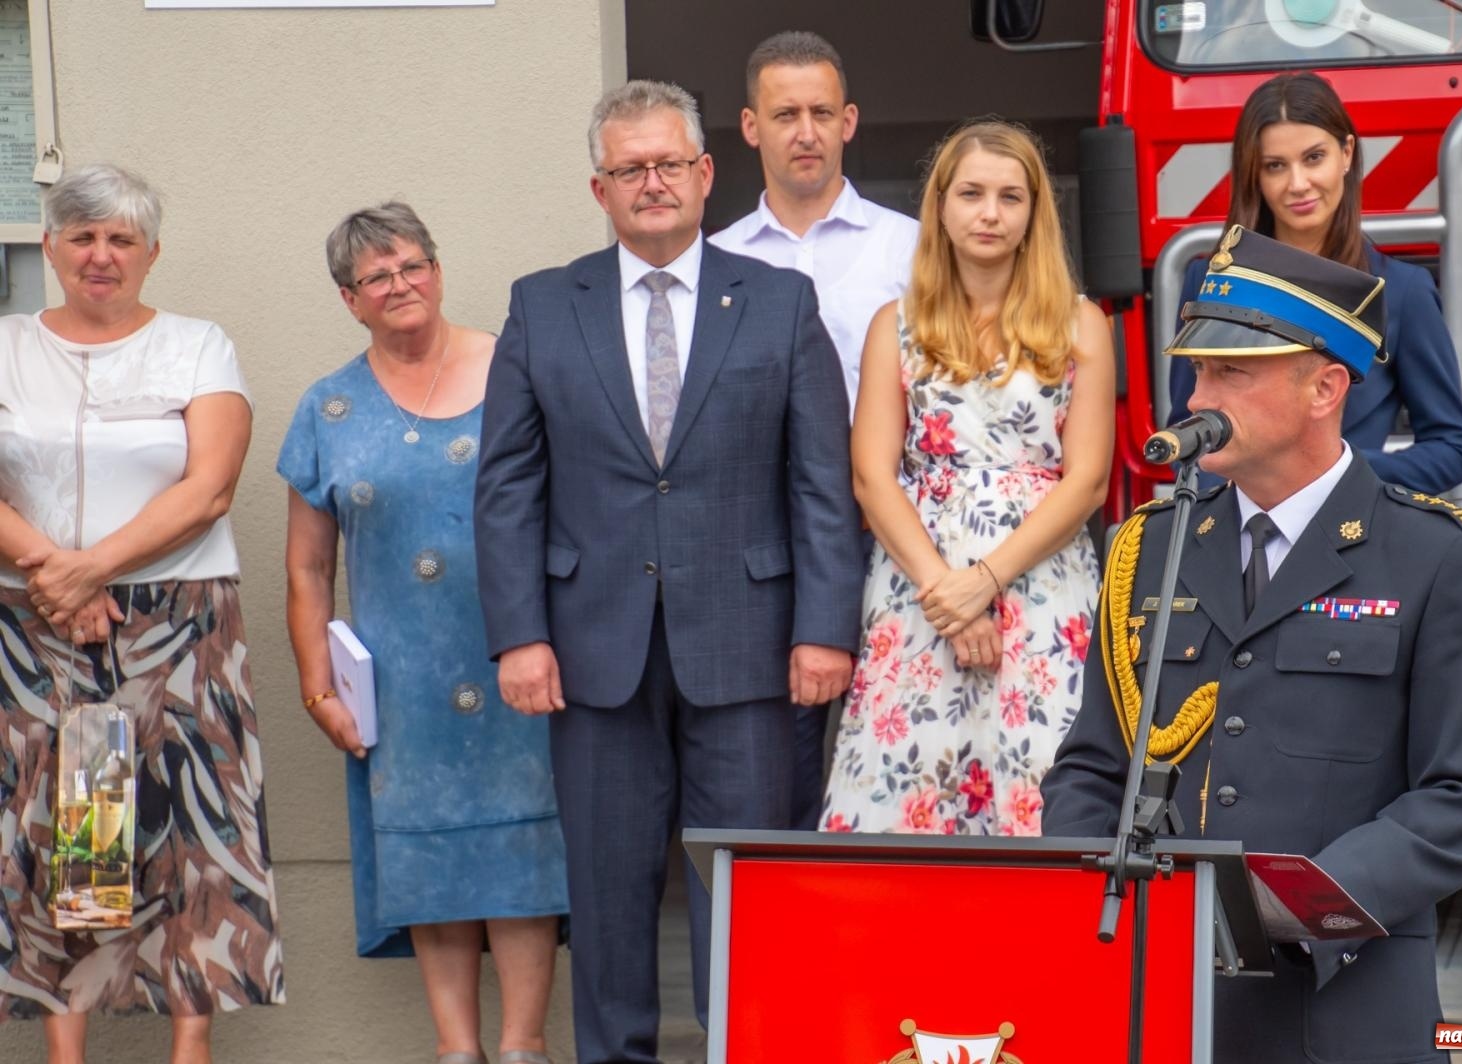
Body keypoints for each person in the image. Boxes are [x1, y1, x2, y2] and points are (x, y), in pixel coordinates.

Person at [1042, 225, 1462, 1063]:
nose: (1195, 399)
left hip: (1344, 999)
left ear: (1324, 388)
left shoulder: (1439, 555)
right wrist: (1098, 898)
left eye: (1231, 372)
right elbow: (1092, 766)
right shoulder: (1148, 546)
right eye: (1197, 370)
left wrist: (1299, 905)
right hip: (1162, 997)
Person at [474, 80, 862, 1063]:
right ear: (599, 189)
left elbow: (820, 477)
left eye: (666, 164)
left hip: (752, 645)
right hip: (590, 649)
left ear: (704, 173)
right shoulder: (540, 304)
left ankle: (753, 1048)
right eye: (627, 168)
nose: (650, 183)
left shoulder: (778, 300)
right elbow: (507, 485)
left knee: (745, 884)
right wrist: (519, 634)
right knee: (606, 890)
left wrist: (826, 626)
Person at [0, 164, 283, 1061]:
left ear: (151, 253)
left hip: (179, 624)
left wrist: (91, 570)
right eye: (81, 236)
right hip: (39, 621)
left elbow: (209, 488)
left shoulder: (198, 345)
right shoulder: (6, 345)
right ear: (49, 247)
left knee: (189, 838)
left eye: (120, 239)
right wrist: (57, 573)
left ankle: (188, 1051)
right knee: (75, 836)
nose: (100, 255)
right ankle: (66, 1054)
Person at [278, 203, 566, 1064]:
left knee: (520, 856)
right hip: (399, 685)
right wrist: (318, 687)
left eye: (412, 265)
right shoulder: (327, 407)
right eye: (376, 277)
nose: (399, 285)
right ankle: (457, 1051)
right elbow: (307, 571)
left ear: (437, 271)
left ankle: (524, 1046)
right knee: (432, 866)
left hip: (517, 658)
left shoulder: (518, 370)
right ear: (349, 299)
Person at [819, 121, 1114, 836]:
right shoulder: (897, 324)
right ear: (942, 207)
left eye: (1010, 197)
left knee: (1045, 787)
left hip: (1041, 586)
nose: (990, 212)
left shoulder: (1080, 324)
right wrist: (947, 595)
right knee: (905, 791)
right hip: (920, 588)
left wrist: (984, 581)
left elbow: (1088, 482)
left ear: (1032, 215)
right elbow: (871, 475)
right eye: (973, 194)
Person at [709, 29, 919, 831]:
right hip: (768, 548)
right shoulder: (715, 261)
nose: (806, 130)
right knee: (781, 770)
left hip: (894, 533)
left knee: (898, 757)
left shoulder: (912, 248)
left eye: (821, 112)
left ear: (850, 122)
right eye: (785, 113)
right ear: (751, 127)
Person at [1167, 71, 1462, 496]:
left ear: (1346, 153)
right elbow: (1186, 431)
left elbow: (1452, 448)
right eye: (1276, 166)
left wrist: (1332, 475)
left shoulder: (1401, 290)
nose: (1298, 184)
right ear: (1254, 175)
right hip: (1236, 534)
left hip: (1352, 536)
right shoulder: (1211, 280)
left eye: (1314, 158)